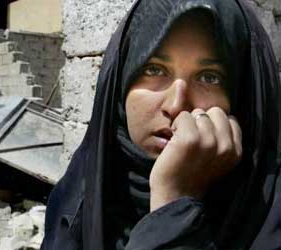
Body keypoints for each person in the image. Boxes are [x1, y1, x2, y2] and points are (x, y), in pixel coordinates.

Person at [41, 0, 281, 249]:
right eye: (154, 70)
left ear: (242, 97)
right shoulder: (76, 198)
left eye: (210, 77)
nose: (176, 105)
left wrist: (174, 204)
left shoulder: (270, 215)